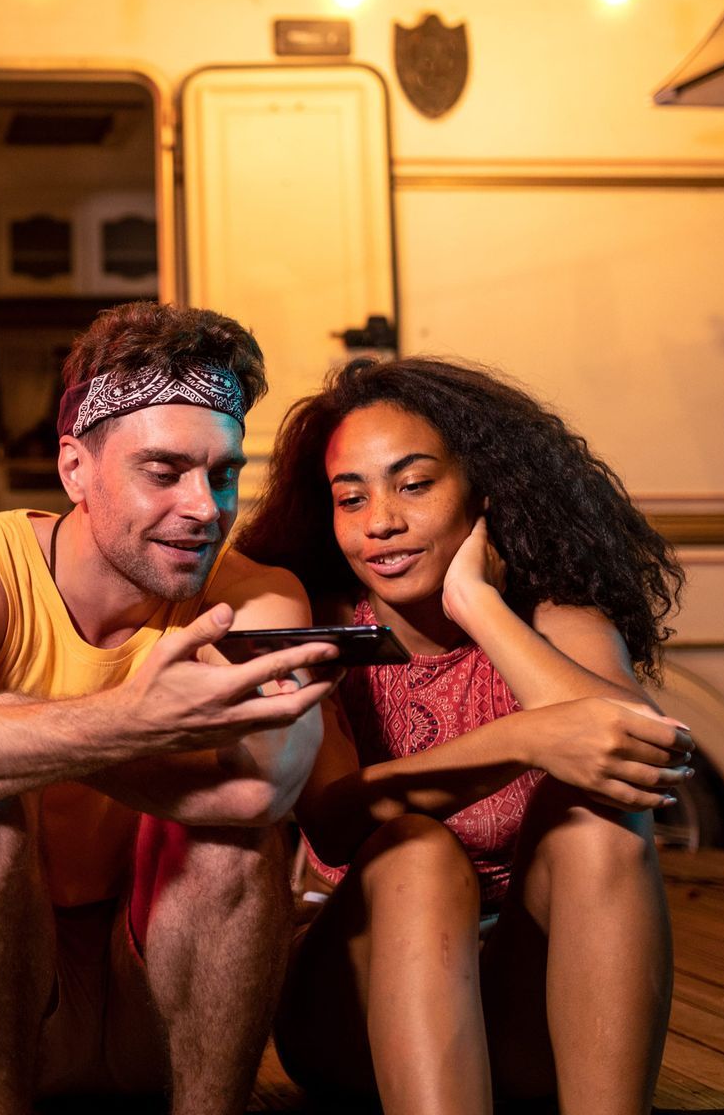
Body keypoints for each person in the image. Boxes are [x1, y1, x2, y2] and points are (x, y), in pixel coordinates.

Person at [0, 301, 339, 1115]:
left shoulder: (258, 595)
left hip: (166, 1017)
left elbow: (261, 791)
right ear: (75, 470)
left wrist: (19, 728)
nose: (205, 507)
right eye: (163, 472)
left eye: (224, 472)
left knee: (236, 841)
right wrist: (130, 721)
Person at [234, 356, 690, 1115]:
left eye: (413, 484)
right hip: (357, 1007)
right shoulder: (324, 631)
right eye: (352, 498)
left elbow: (643, 749)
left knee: (600, 816)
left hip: (524, 1009)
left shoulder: (550, 614)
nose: (382, 520)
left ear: (482, 492)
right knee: (415, 849)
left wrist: (481, 608)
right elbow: (334, 821)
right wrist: (523, 741)